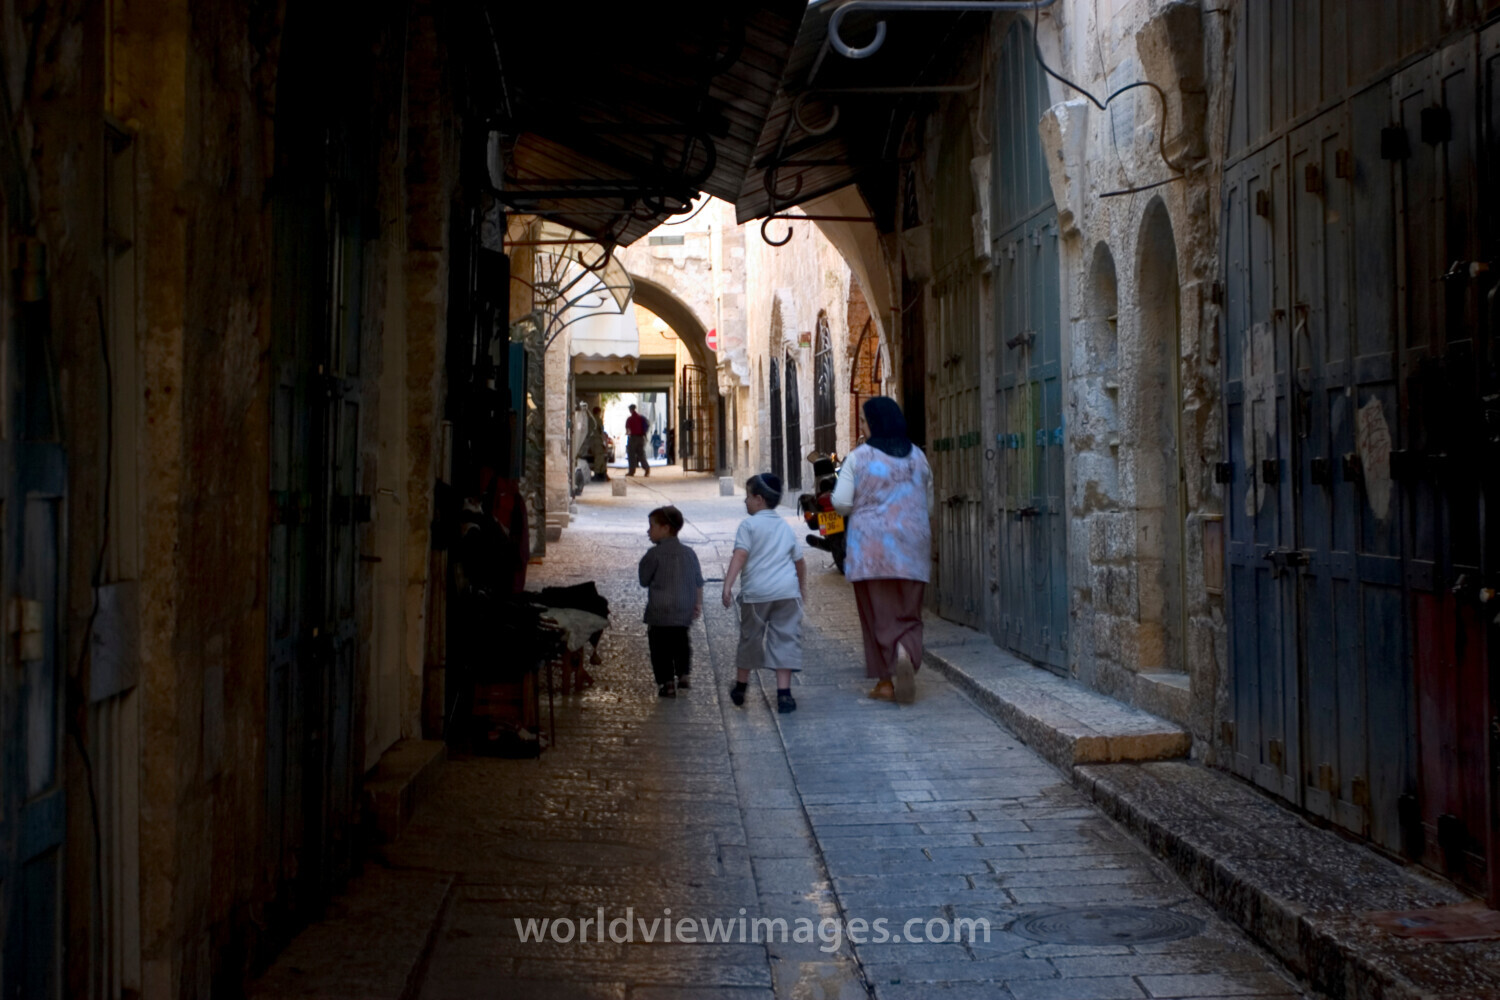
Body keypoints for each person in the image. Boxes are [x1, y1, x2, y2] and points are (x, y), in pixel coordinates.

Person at [832, 396, 933, 704]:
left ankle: (885, 682)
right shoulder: (918, 457)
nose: (862, 427)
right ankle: (905, 652)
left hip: (870, 550)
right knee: (909, 611)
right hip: (912, 548)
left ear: (875, 423)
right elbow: (928, 504)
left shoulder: (859, 458)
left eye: (864, 421)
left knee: (876, 614)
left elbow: (841, 503)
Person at [722, 473, 806, 714]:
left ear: (759, 499)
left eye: (747, 496)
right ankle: (784, 694)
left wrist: (728, 585)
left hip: (757, 594)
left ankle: (741, 687)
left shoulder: (748, 526)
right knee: (785, 638)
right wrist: (801, 589)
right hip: (787, 594)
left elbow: (740, 555)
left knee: (750, 637)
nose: (745, 501)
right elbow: (799, 562)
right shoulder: (785, 527)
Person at [638, 506, 703, 698]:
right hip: (683, 609)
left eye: (652, 526)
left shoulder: (653, 554)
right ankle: (683, 674)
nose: (648, 531)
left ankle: (667, 683)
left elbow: (644, 580)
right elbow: (698, 581)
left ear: (665, 528)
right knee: (681, 641)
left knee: (660, 648)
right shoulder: (689, 553)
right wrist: (697, 603)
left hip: (660, 610)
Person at [625, 403, 650, 476]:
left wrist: (628, 434)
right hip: (641, 438)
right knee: (641, 454)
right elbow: (647, 425)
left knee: (631, 455)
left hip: (633, 438)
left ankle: (631, 471)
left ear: (630, 410)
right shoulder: (641, 417)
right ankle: (646, 468)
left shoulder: (629, 419)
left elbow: (628, 430)